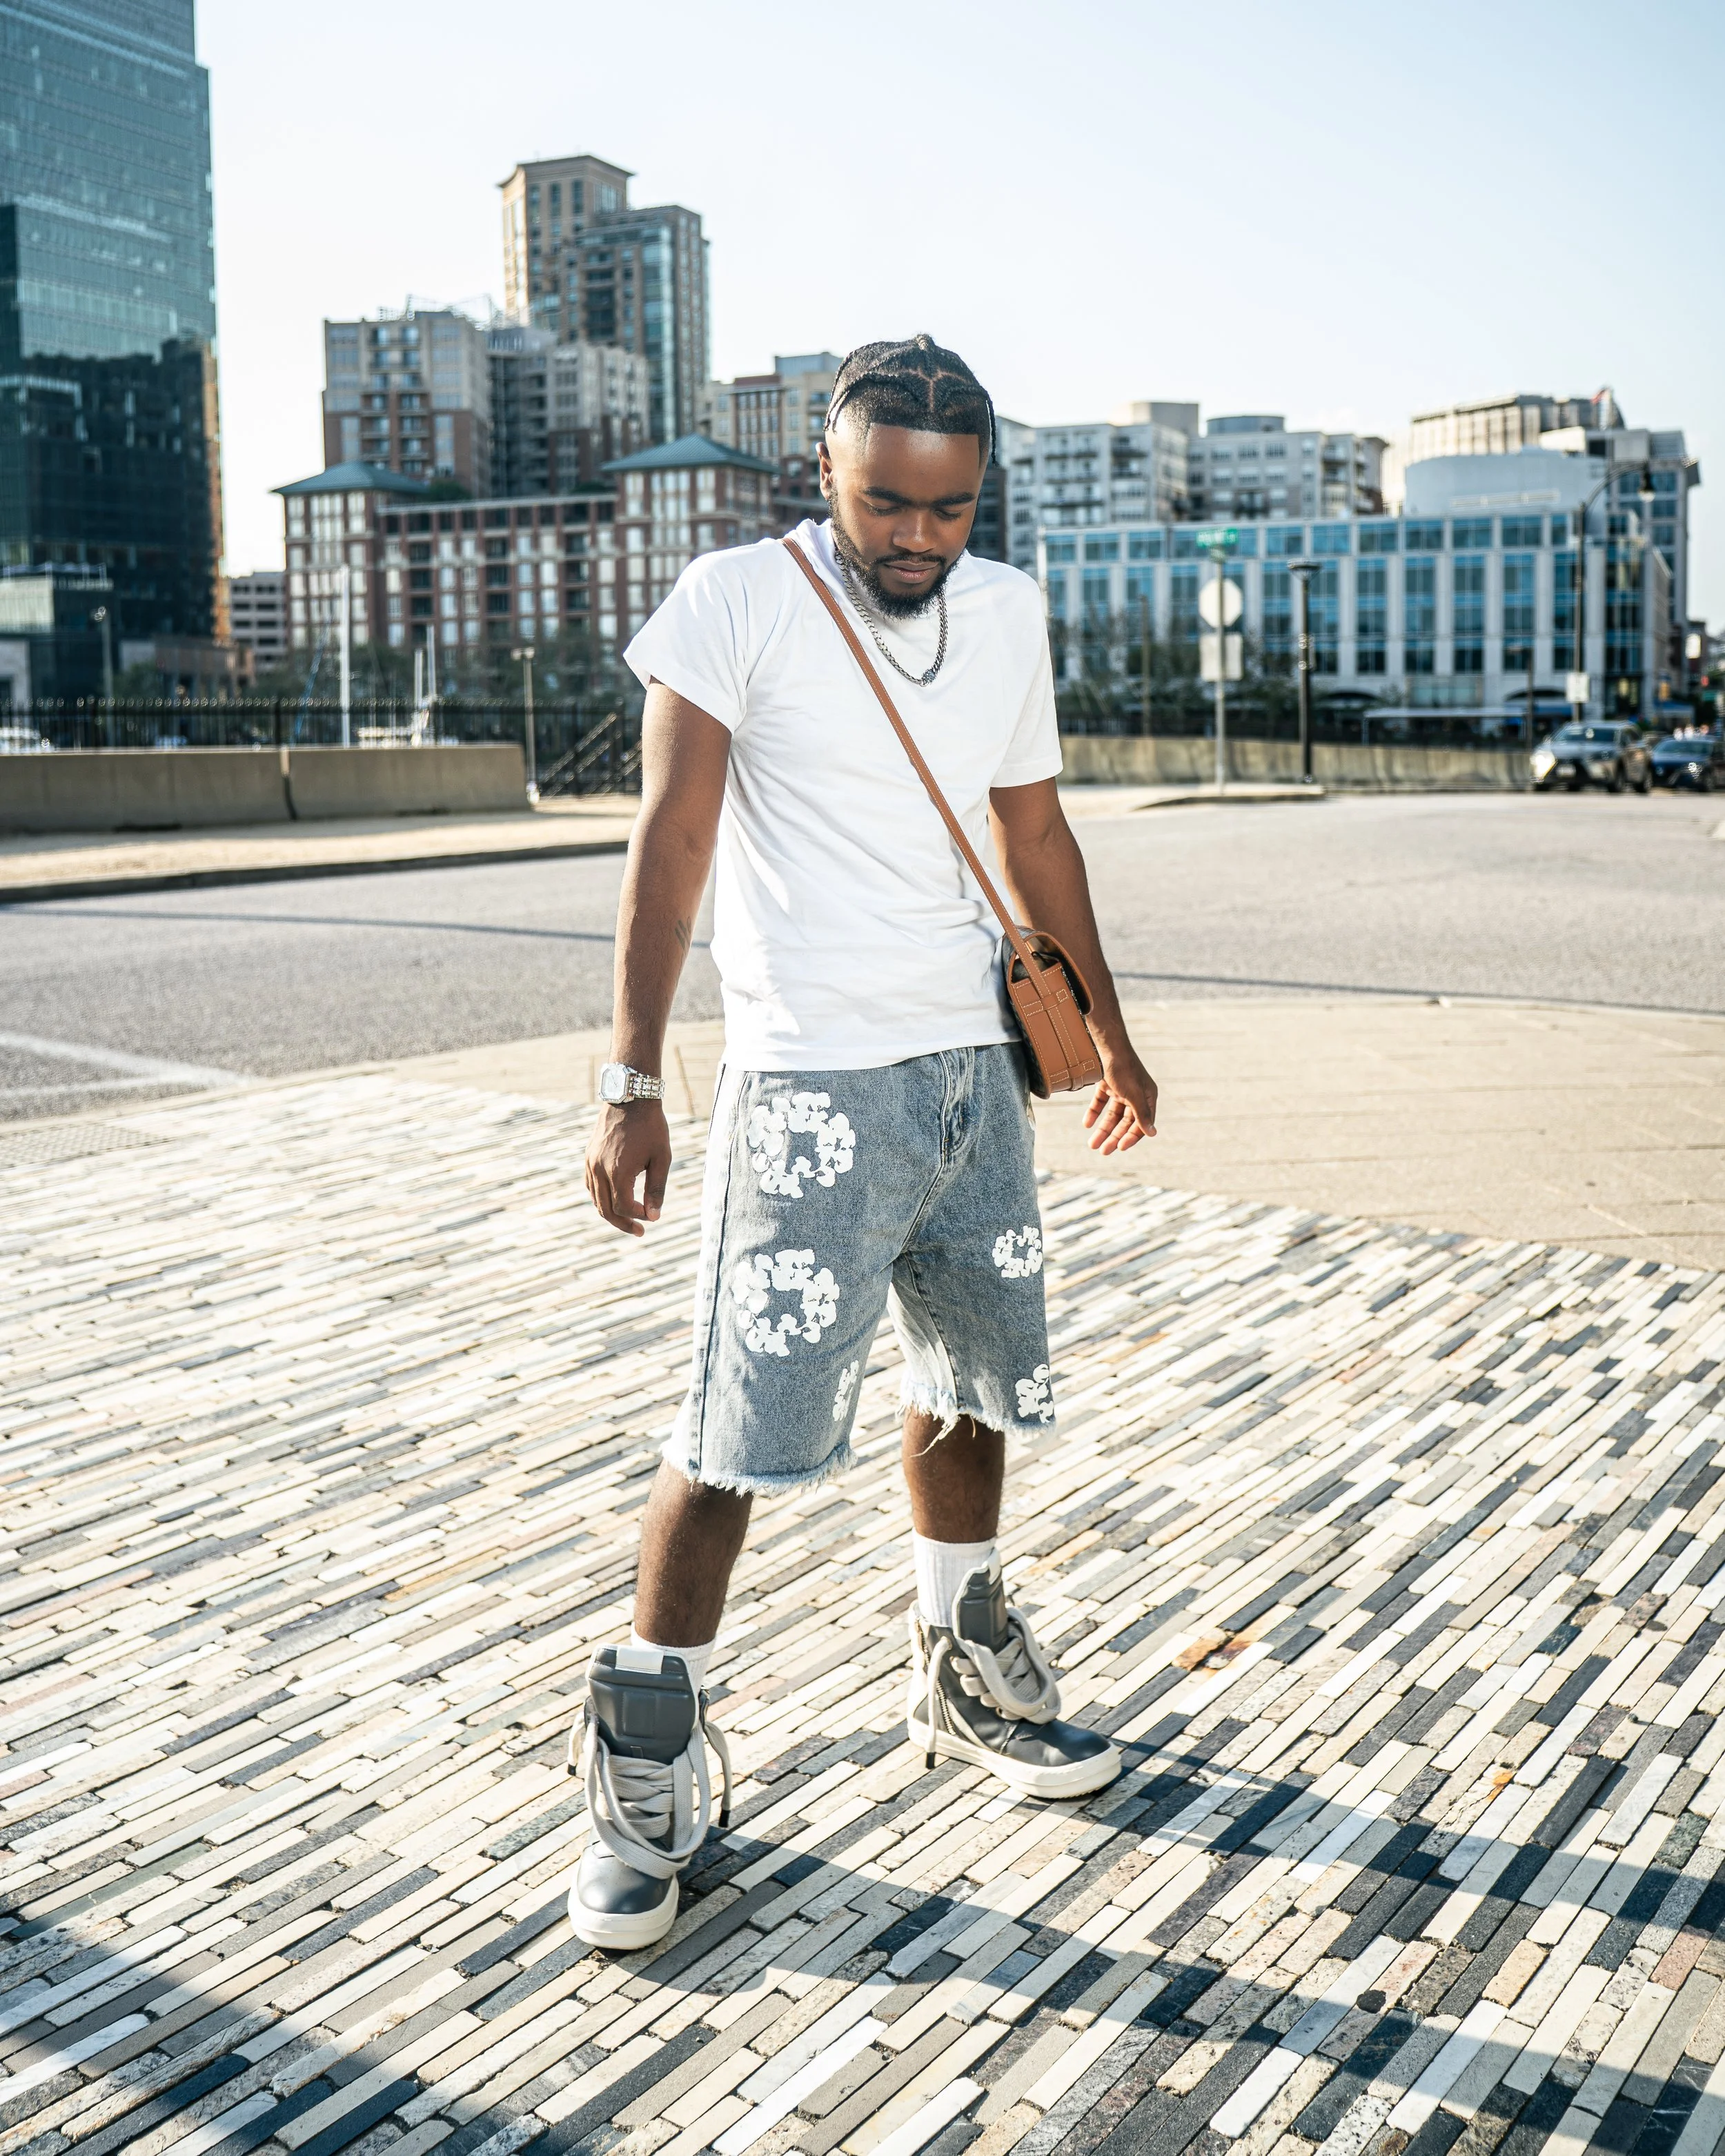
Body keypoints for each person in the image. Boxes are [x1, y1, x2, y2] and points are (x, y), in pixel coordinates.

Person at [569, 335, 1159, 1949]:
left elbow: (1031, 828)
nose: (917, 537)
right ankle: (645, 1750)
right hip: (808, 1086)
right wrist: (632, 1075)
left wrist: (1108, 1026)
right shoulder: (732, 602)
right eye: (888, 502)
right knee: (735, 1427)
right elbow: (672, 838)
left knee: (970, 1385)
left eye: (950, 508)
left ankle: (957, 1666)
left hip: (974, 1070)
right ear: (824, 470)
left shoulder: (1010, 614)